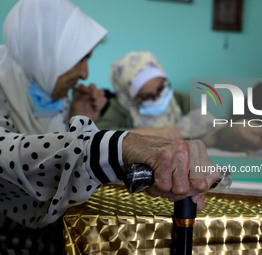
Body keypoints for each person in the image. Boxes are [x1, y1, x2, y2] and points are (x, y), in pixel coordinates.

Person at [0, 0, 219, 253]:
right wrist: (120, 145)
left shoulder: (47, 94)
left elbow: (53, 166)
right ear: (48, 51)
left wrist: (77, 117)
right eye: (81, 59)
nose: (84, 74)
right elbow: (8, 155)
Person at [96, 50, 262, 151]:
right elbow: (101, 138)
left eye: (161, 88)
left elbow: (211, 133)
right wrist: (154, 133)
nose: (158, 98)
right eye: (146, 96)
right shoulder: (119, 107)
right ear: (127, 96)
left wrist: (236, 131)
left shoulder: (179, 100)